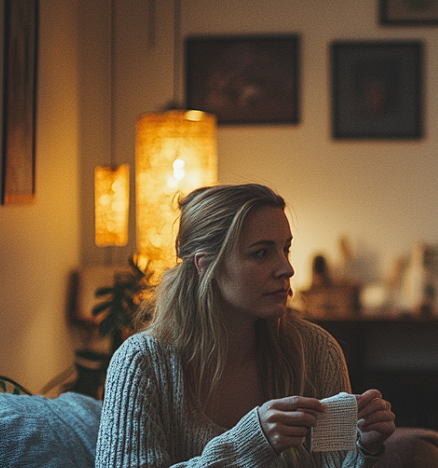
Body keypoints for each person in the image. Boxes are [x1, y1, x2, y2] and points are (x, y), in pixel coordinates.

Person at [95, 183, 396, 468]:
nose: (287, 268)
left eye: (286, 249)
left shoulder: (317, 351)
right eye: (262, 253)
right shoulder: (142, 363)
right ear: (205, 266)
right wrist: (248, 444)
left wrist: (365, 448)